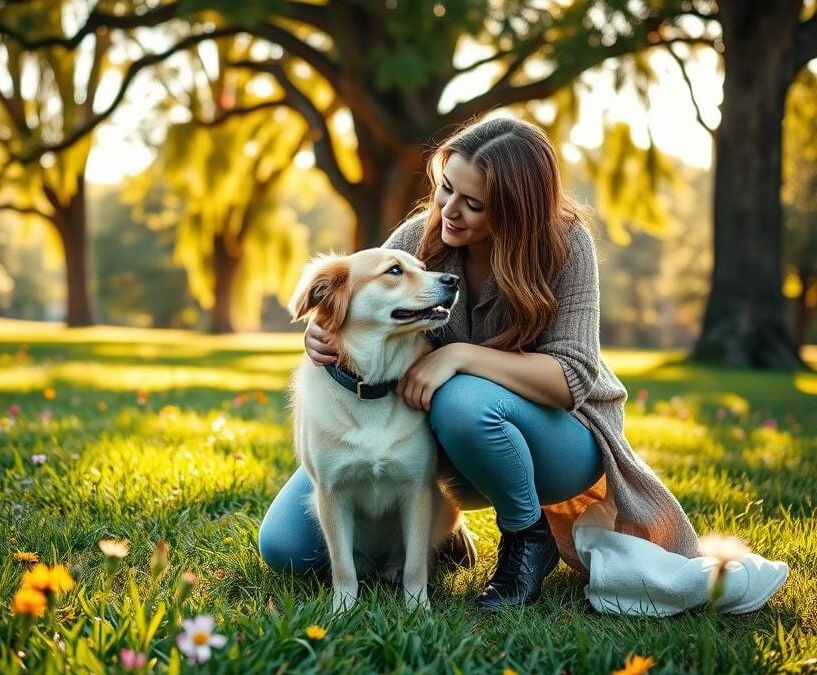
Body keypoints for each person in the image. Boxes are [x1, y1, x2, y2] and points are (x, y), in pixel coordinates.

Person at [258, 116, 699, 610]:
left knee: (460, 399)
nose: (449, 211)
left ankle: (526, 540)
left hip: (557, 438)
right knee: (286, 548)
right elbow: (356, 300)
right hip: (435, 448)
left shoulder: (566, 245)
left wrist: (460, 354)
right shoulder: (416, 239)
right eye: (446, 189)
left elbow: (572, 378)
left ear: (517, 212)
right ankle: (442, 540)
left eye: (474, 204)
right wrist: (322, 332)